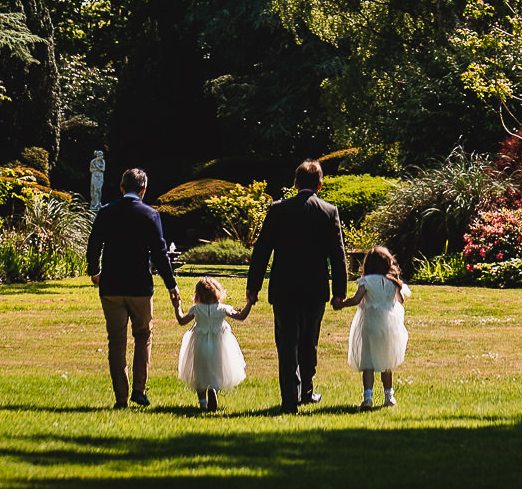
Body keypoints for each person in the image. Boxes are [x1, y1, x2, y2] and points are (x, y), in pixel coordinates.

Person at [244, 158, 349, 413]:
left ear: (295, 184)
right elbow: (338, 255)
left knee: (287, 341)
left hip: (284, 287)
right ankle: (307, 392)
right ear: (320, 185)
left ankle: (289, 396)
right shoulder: (328, 211)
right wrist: (339, 293)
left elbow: (261, 251)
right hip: (315, 288)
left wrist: (253, 286)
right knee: (309, 341)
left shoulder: (278, 209)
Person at [84, 165, 179, 408]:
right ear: (144, 190)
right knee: (143, 335)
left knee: (116, 341)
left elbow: (94, 244)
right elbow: (159, 253)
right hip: (139, 285)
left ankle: (120, 397)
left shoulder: (106, 212)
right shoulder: (150, 215)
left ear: (121, 187)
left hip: (112, 285)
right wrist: (171, 285)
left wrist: (94, 271)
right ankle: (139, 389)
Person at [339, 245, 411, 408]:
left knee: (368, 363)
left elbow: (356, 300)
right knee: (386, 362)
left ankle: (368, 397)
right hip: (388, 326)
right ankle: (389, 396)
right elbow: (400, 301)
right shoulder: (392, 283)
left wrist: (342, 304)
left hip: (370, 325)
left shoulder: (366, 282)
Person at [172, 276, 252, 412]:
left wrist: (177, 306)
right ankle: (213, 388)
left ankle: (203, 403)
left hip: (199, 343)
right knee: (218, 370)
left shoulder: (196, 310)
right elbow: (241, 316)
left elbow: (181, 320)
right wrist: (249, 303)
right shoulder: (222, 308)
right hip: (220, 344)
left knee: (200, 372)